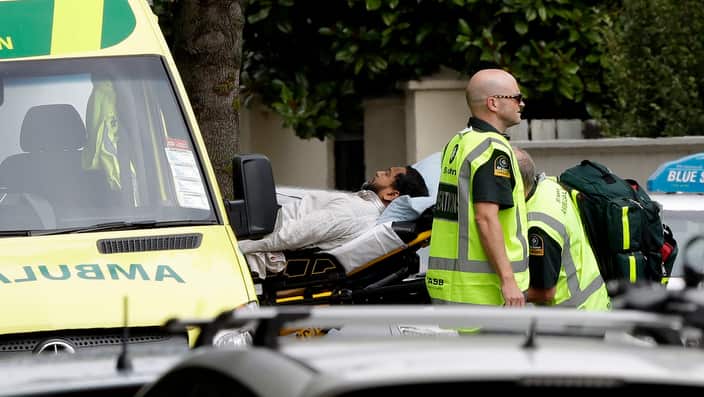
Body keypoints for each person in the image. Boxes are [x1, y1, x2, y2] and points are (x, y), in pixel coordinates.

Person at [426, 68, 529, 307]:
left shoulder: (459, 142)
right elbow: (485, 218)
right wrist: (508, 281)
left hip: (454, 283)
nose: (521, 104)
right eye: (516, 97)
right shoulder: (491, 150)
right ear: (493, 103)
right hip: (484, 290)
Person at [239, 165, 429, 277]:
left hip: (256, 235)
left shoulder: (356, 212)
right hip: (260, 225)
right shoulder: (361, 206)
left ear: (392, 194)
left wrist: (236, 247)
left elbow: (291, 235)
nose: (379, 172)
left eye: (387, 173)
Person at [514, 147, 610, 310]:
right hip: (593, 305)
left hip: (574, 319)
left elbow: (545, 293)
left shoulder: (538, 227)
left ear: (516, 184)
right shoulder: (549, 186)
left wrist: (502, 295)